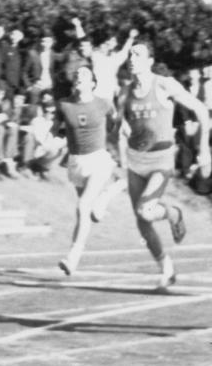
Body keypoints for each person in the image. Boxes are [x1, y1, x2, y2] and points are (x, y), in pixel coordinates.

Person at [118, 40, 211, 289]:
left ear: (149, 61)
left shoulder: (164, 85)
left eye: (138, 54)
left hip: (161, 159)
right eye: (130, 54)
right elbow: (118, 124)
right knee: (142, 222)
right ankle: (166, 269)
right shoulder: (125, 92)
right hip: (137, 159)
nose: (132, 58)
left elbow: (201, 110)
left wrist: (203, 148)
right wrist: (127, 135)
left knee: (145, 210)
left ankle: (173, 213)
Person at [57, 66, 126, 275]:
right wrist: (49, 141)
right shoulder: (64, 105)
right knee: (85, 214)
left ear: (93, 83)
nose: (79, 77)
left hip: (98, 160)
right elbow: (55, 130)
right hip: (76, 162)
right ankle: (106, 197)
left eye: (84, 75)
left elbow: (117, 124)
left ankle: (72, 256)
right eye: (77, 75)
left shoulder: (103, 103)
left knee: (83, 205)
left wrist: (121, 144)